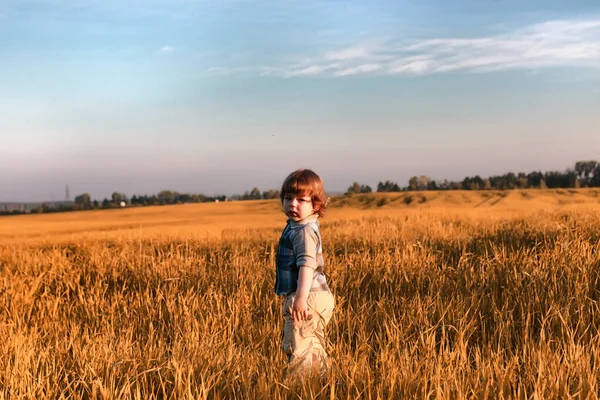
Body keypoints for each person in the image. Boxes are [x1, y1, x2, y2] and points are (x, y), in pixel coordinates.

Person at [274, 169, 335, 378]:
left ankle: (297, 388)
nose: (293, 204)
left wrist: (300, 299)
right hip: (317, 296)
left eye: (301, 200)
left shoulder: (303, 231)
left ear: (316, 204)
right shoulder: (303, 225)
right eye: (288, 198)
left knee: (298, 347)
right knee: (312, 346)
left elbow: (306, 266)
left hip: (307, 296)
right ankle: (322, 383)